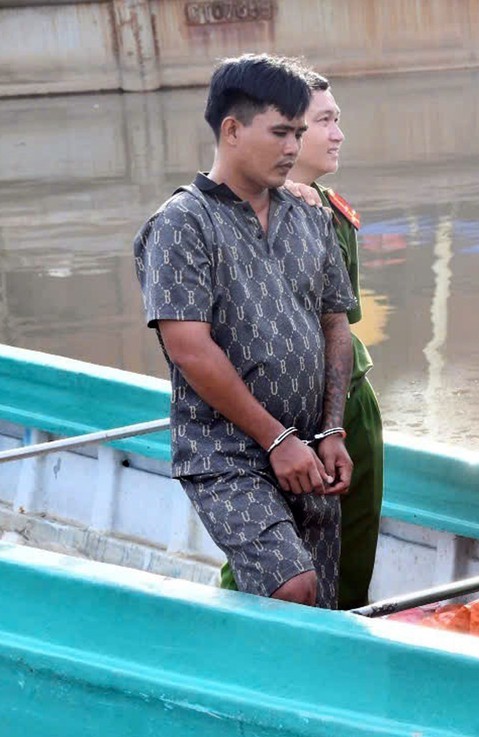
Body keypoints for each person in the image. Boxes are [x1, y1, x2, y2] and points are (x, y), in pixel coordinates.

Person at [133, 54, 356, 609]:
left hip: (308, 447)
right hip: (226, 451)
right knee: (293, 587)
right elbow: (189, 347)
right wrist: (275, 439)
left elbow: (335, 323)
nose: (292, 147)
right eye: (280, 132)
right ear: (232, 130)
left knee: (321, 600)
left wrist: (330, 431)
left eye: (298, 133)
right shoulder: (182, 223)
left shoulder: (309, 216)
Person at [220, 70, 384, 610]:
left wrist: (337, 420)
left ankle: (343, 657)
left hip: (348, 398)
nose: (336, 135)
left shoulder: (331, 214)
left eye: (336, 120)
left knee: (352, 552)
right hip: (274, 407)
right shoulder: (230, 214)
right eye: (324, 122)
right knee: (267, 559)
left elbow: (342, 319)